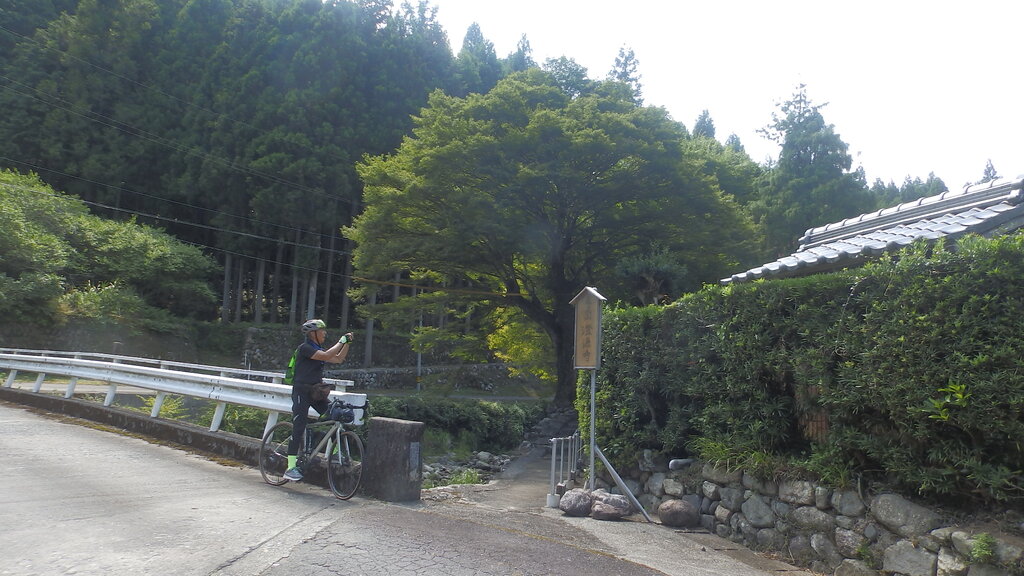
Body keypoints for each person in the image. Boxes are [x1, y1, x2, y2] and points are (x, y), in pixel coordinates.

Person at [284, 318, 353, 482]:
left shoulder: (317, 349)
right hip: (301, 392)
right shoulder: (305, 348)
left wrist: (347, 343)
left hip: (315, 392)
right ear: (313, 333)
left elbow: (338, 359)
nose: (325, 333)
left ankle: (335, 453)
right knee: (299, 426)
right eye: (322, 331)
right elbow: (327, 355)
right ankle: (290, 467)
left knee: (334, 415)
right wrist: (341, 340)